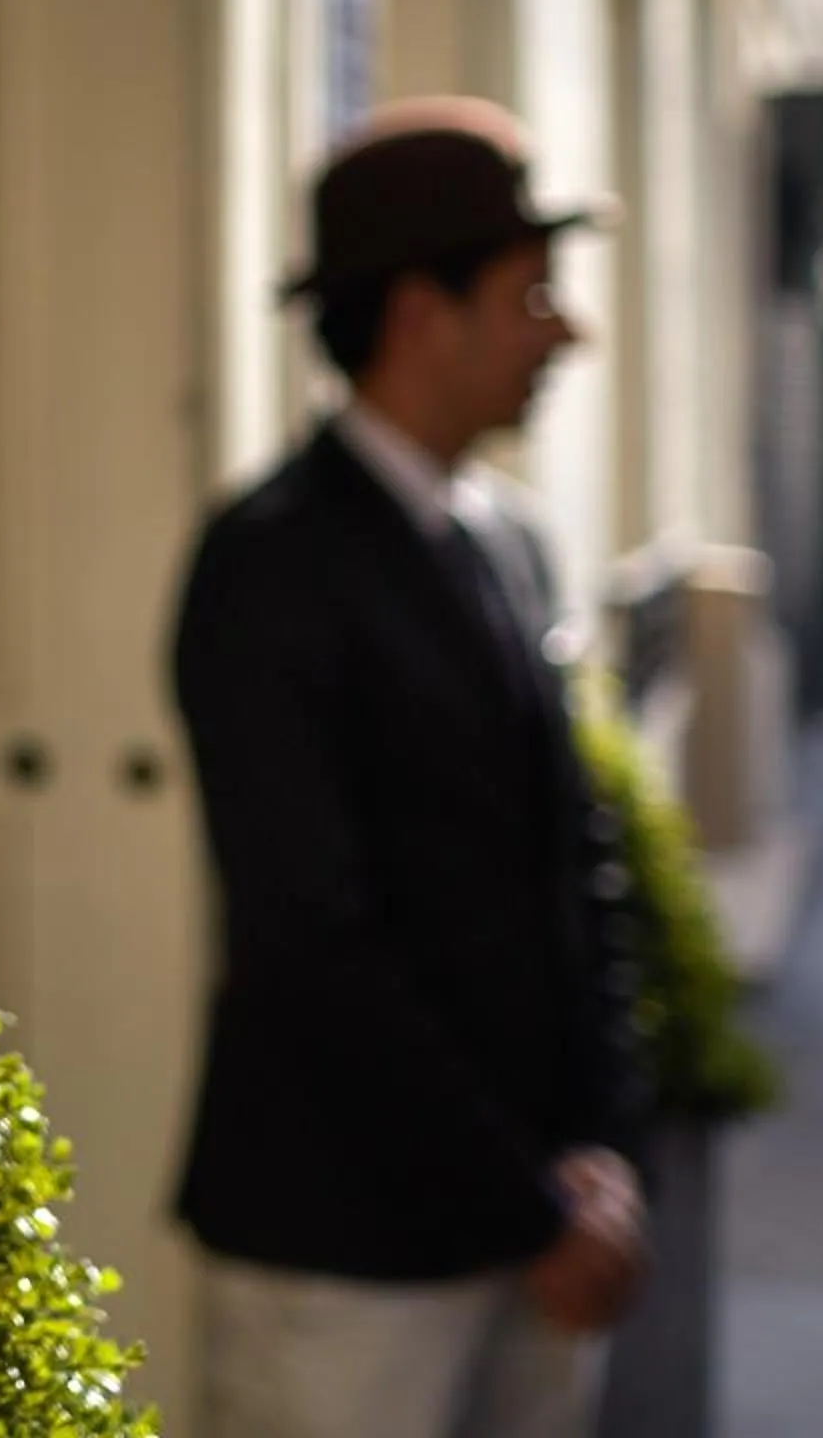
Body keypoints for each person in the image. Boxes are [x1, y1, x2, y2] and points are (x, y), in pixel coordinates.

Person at [170, 97, 651, 1438]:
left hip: (545, 1223)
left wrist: (608, 1153)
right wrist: (534, 1200)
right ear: (417, 315)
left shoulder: (510, 541)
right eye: (532, 294)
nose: (569, 332)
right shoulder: (268, 565)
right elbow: (311, 943)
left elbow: (579, 869)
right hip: (349, 1256)